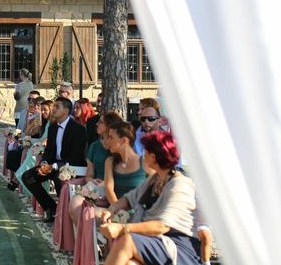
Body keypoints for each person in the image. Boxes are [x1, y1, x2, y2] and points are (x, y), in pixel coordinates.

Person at [99, 131, 202, 265]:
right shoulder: (156, 179)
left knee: (127, 240)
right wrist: (112, 209)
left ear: (153, 157)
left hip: (178, 248)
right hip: (156, 242)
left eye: (145, 152)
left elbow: (162, 226)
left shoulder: (180, 185)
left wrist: (121, 228)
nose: (142, 155)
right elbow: (130, 198)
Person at [21, 96, 88, 223]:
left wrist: (53, 167)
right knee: (28, 177)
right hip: (53, 165)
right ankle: (51, 208)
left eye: (57, 106)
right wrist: (44, 164)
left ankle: (65, 215)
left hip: (71, 166)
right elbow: (49, 151)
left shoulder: (78, 129)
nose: (54, 109)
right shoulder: (53, 127)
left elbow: (76, 156)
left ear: (66, 111)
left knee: (59, 177)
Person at [68, 111, 123, 222]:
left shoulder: (119, 147)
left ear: (109, 125)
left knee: (82, 207)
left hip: (116, 187)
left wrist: (106, 183)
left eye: (101, 122)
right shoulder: (94, 146)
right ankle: (86, 237)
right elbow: (89, 173)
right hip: (97, 186)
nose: (97, 124)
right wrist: (91, 180)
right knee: (75, 205)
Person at [11, 99, 54, 194]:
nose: (42, 112)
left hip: (46, 148)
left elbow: (47, 139)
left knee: (32, 152)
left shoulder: (53, 123)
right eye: (41, 109)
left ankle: (20, 177)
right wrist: (32, 123)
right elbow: (28, 132)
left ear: (51, 110)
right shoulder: (45, 121)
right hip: (39, 144)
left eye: (44, 110)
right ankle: (21, 177)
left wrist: (38, 145)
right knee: (29, 149)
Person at [103, 121, 148, 205]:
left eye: (111, 137)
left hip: (139, 214)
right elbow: (109, 189)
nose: (107, 142)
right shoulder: (110, 162)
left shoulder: (145, 162)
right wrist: (119, 212)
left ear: (124, 140)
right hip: (116, 212)